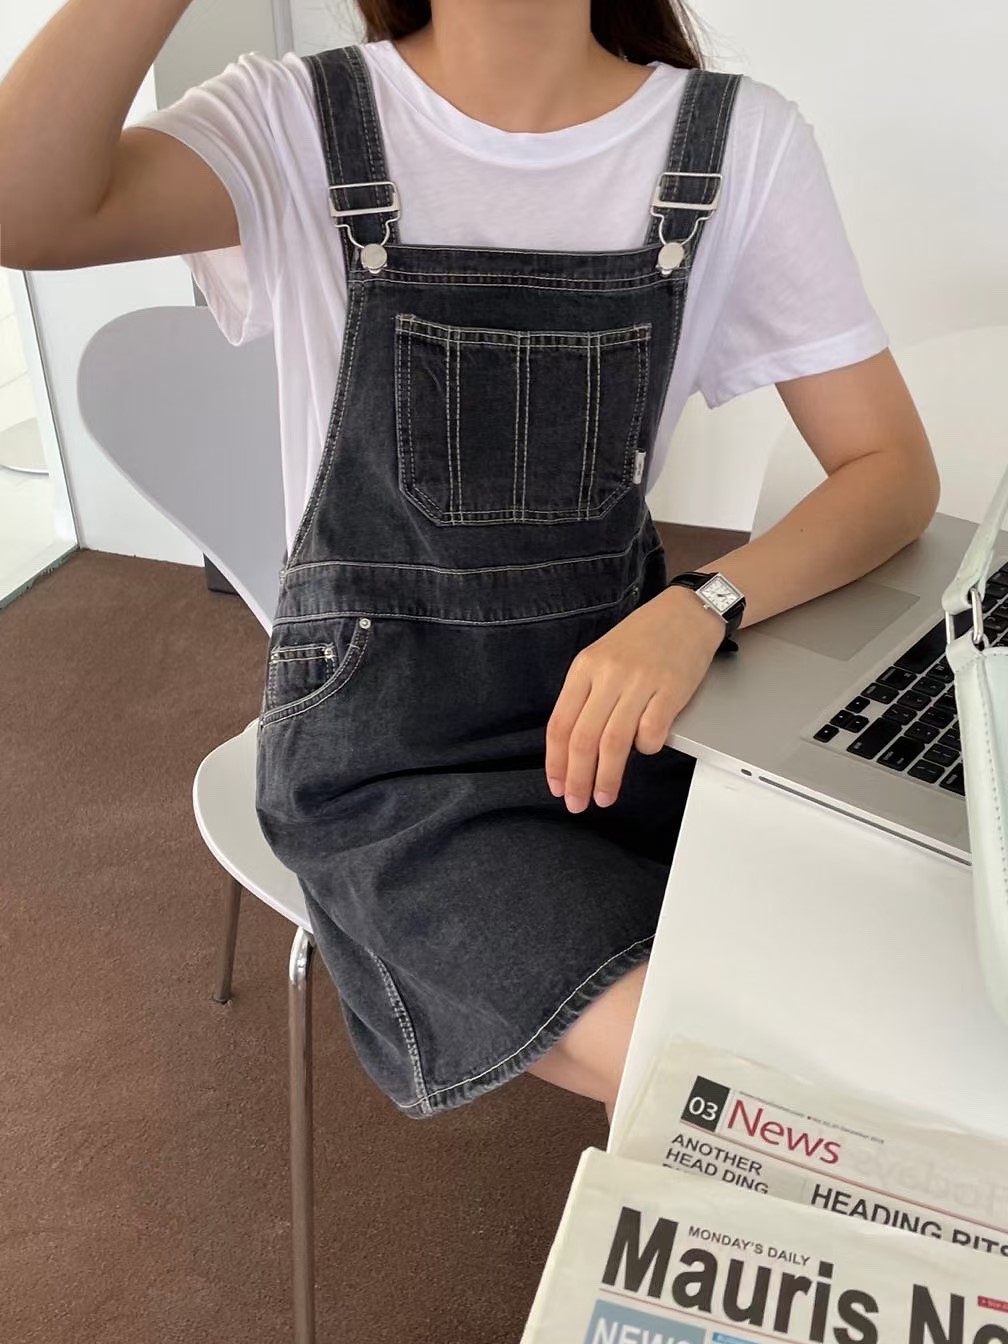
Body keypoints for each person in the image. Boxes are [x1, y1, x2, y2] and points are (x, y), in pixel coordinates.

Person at [0, 0, 939, 1125]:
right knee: (743, 1089)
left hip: (633, 722)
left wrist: (702, 605)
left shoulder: (739, 142)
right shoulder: (297, 119)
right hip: (393, 771)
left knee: (886, 984)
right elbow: (22, 206)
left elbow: (890, 470)